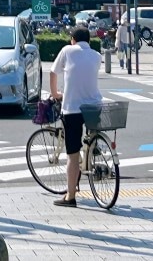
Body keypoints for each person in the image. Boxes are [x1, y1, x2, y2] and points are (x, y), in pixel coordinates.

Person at [48, 26, 103, 207]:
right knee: (90, 136)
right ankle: (92, 152)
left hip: (72, 109)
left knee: (72, 155)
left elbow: (53, 72)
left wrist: (55, 93)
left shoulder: (67, 50)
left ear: (73, 39)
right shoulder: (97, 56)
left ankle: (70, 196)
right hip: (94, 108)